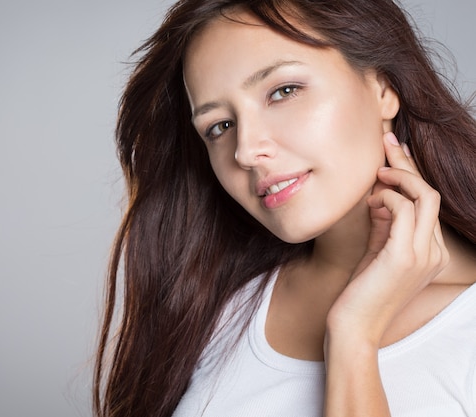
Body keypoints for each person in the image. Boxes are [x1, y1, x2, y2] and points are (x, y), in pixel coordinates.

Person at [94, 0, 476, 416]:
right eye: (219, 126)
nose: (245, 151)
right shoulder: (220, 311)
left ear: (384, 87)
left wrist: (353, 337)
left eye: (283, 91)